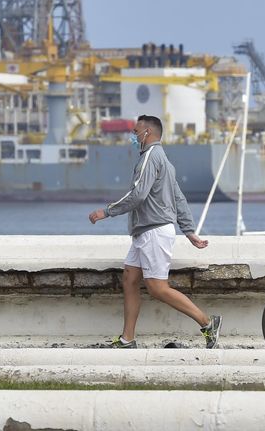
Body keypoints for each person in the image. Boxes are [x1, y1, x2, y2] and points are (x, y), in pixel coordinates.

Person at [88, 115, 221, 349]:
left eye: (136, 130)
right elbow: (178, 197)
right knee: (130, 279)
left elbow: (138, 194)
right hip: (145, 232)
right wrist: (189, 231)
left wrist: (106, 211)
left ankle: (207, 323)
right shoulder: (164, 160)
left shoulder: (151, 157)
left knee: (158, 288)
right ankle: (127, 339)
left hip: (154, 232)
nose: (133, 135)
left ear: (147, 132)